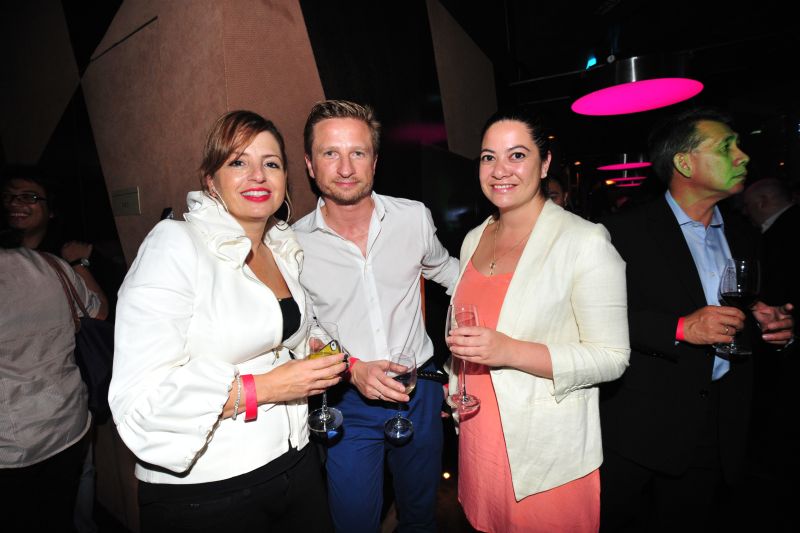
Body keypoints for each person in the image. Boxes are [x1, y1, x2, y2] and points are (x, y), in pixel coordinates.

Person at [108, 110, 343, 532]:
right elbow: (141, 404)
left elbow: (292, 329)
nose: (258, 175)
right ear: (210, 180)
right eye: (238, 162)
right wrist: (268, 387)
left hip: (297, 462)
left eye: (271, 163)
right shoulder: (174, 245)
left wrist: (325, 351)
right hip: (208, 492)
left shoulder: (279, 245)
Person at [599, 108, 795, 532]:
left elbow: (740, 312)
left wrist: (768, 324)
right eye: (726, 147)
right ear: (685, 164)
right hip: (637, 428)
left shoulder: (744, 235)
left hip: (717, 426)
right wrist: (680, 328)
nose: (743, 156)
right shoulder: (623, 232)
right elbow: (593, 318)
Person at [444, 108, 630, 532]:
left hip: (545, 450)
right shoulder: (473, 238)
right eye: (488, 157)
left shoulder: (584, 241)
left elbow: (612, 357)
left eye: (517, 155)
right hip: (478, 435)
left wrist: (509, 351)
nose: (500, 170)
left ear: (545, 164)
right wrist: (455, 380)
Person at [293, 100, 459, 533]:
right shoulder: (292, 244)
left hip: (419, 392)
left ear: (375, 160)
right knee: (352, 522)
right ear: (310, 164)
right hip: (346, 402)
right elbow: (302, 332)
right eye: (331, 153)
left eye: (358, 152)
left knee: (420, 516)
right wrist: (351, 368)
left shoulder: (413, 218)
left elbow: (448, 272)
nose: (346, 167)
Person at [0, 245, 102, 531]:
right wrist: (78, 262)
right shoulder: (51, 266)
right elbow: (98, 310)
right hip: (66, 424)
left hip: (9, 444)